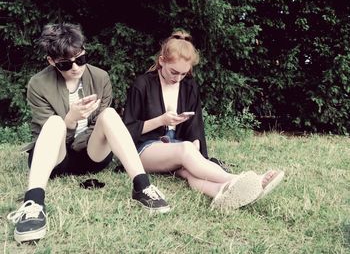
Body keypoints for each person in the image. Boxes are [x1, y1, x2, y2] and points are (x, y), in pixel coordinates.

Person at [7, 23, 170, 244]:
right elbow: (46, 133)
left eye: (80, 59)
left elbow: (100, 124)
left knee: (110, 115)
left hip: (92, 154)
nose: (75, 67)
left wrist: (84, 134)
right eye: (66, 64)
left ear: (84, 51)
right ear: (51, 61)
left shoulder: (100, 77)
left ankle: (143, 187)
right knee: (55, 122)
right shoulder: (38, 84)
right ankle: (33, 204)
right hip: (56, 159)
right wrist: (71, 119)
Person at [123, 30, 285, 211]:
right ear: (162, 61)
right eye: (173, 72)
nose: (177, 78)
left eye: (183, 74)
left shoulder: (189, 86)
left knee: (189, 168)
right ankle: (238, 180)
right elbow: (127, 131)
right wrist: (161, 120)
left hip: (175, 148)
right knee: (184, 150)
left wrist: (195, 147)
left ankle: (219, 191)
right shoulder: (142, 84)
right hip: (143, 151)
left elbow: (195, 127)